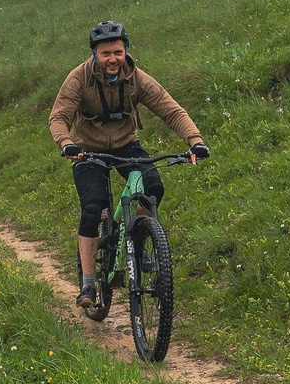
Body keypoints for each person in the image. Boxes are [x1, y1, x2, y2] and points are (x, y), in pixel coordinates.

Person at [47, 20, 208, 314]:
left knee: (153, 188)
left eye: (118, 52)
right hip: (87, 150)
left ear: (126, 51)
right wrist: (66, 144)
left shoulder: (137, 78)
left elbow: (170, 109)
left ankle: (139, 238)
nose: (113, 59)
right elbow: (59, 117)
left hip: (126, 144)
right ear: (94, 53)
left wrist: (195, 140)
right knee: (93, 209)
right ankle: (87, 282)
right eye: (106, 53)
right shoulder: (78, 79)